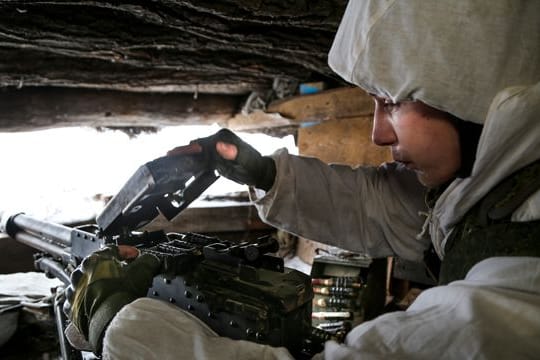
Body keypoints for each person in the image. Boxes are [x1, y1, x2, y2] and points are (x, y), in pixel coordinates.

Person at [65, 1, 540, 359]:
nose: (376, 133)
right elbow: (386, 207)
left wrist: (120, 326)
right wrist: (266, 174)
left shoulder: (521, 282)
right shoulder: (499, 191)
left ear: (470, 93)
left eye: (392, 101)